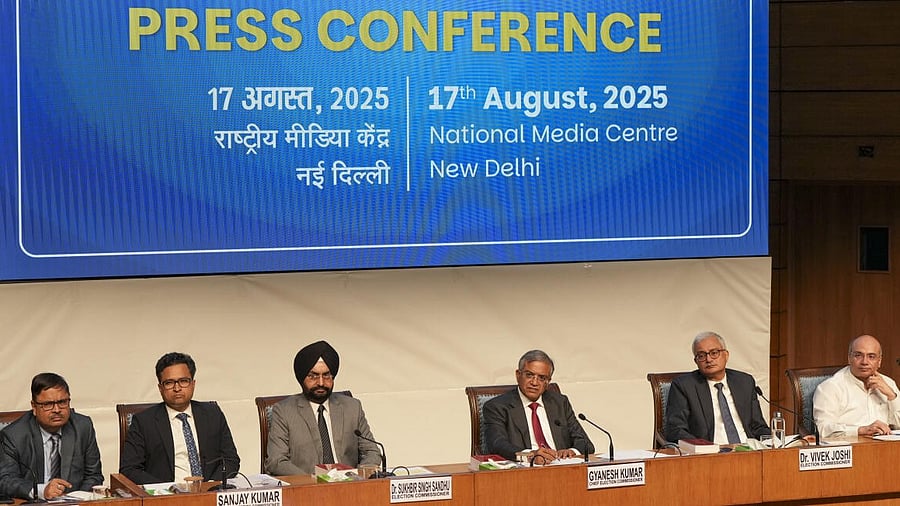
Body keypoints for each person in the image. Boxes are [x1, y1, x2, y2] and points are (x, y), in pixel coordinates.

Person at [119, 352, 240, 484]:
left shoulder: (212, 414)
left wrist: (210, 486)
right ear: (160, 388)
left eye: (183, 381)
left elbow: (231, 459)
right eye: (169, 383)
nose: (177, 388)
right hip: (166, 497)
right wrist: (166, 490)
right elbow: (129, 470)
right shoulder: (143, 422)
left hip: (209, 493)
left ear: (193, 383)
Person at [265, 340, 381, 475]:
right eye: (313, 376)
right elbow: (276, 461)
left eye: (326, 375)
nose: (321, 382)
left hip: (348, 486)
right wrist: (314, 481)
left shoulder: (352, 407)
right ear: (302, 378)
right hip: (307, 489)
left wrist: (358, 475)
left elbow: (372, 451)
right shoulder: (284, 411)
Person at [0, 373, 103, 500]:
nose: (57, 409)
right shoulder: (14, 435)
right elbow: (6, 481)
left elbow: (94, 475)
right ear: (34, 406)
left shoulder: (83, 427)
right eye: (48, 404)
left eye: (62, 402)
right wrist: (42, 491)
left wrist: (75, 500)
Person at [482, 349, 594, 462]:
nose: (534, 382)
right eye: (529, 375)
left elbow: (585, 443)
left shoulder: (559, 403)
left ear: (548, 381)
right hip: (523, 471)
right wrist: (530, 456)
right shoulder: (497, 406)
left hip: (560, 467)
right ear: (518, 375)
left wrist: (572, 451)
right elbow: (497, 444)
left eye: (542, 378)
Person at [665, 331, 770, 444]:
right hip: (710, 453)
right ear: (696, 361)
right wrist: (706, 448)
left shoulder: (744, 382)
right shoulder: (684, 386)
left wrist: (775, 441)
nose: (708, 359)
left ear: (726, 355)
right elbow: (676, 430)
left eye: (714, 353)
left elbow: (758, 427)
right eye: (701, 355)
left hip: (748, 450)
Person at [813, 334, 900, 437]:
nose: (864, 362)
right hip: (851, 448)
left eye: (871, 357)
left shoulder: (888, 384)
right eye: (858, 355)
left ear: (879, 361)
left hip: (887, 448)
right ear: (849, 358)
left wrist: (892, 396)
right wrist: (860, 430)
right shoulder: (830, 387)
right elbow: (822, 429)